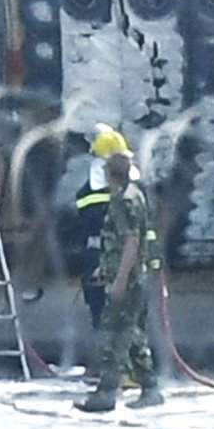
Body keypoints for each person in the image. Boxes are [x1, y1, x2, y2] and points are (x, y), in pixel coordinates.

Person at [75, 151, 161, 412]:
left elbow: (131, 241)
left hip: (128, 280)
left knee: (113, 335)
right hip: (128, 276)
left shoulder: (124, 201)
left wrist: (120, 279)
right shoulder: (134, 195)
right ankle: (150, 387)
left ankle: (106, 394)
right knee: (131, 334)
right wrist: (106, 269)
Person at [64, 126, 130, 331]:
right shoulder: (129, 193)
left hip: (107, 256)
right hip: (105, 256)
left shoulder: (89, 192)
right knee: (108, 312)